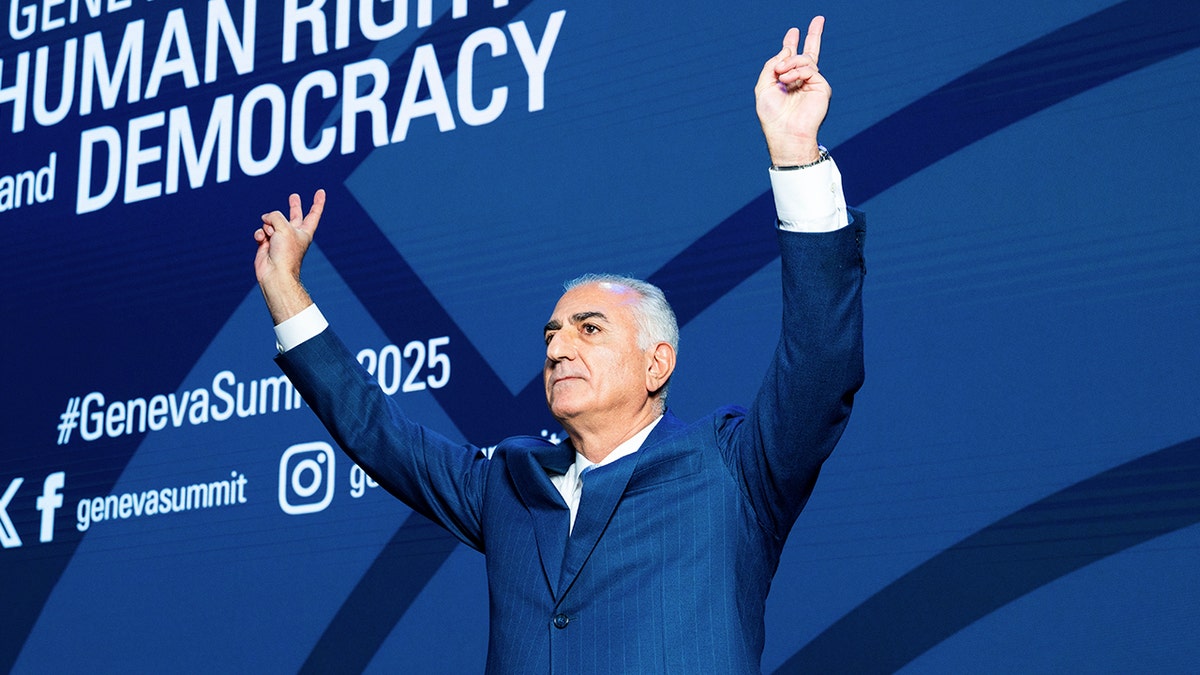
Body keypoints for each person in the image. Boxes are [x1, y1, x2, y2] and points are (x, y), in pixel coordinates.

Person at [254, 16, 864, 674]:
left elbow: (820, 364)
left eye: (589, 328)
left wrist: (796, 153)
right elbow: (373, 430)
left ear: (658, 362)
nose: (557, 347)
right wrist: (285, 288)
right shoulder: (508, 484)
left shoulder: (729, 468)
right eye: (551, 334)